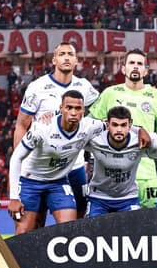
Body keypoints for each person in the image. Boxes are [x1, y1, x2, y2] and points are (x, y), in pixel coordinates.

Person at [15, 42, 99, 219]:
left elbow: (97, 114)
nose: (66, 57)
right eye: (62, 54)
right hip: (43, 166)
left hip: (75, 166)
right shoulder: (37, 88)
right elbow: (22, 125)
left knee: (79, 219)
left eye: (70, 54)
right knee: (36, 223)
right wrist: (21, 162)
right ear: (54, 60)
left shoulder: (85, 87)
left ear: (76, 60)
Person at [8, 90, 105, 235]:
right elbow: (16, 158)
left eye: (78, 108)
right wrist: (14, 197)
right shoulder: (42, 128)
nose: (73, 112)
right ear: (61, 109)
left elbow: (115, 126)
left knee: (70, 231)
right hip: (30, 182)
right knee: (23, 233)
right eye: (69, 108)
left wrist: (140, 131)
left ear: (83, 110)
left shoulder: (89, 126)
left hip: (58, 183)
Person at [90, 49, 157, 209]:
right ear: (123, 68)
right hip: (112, 172)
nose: (135, 67)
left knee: (149, 225)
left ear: (146, 70)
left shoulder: (156, 96)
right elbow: (92, 127)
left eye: (139, 64)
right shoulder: (109, 94)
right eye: (131, 63)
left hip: (146, 172)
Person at [85, 105, 152, 216]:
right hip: (99, 198)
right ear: (107, 125)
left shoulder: (140, 141)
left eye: (123, 125)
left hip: (128, 198)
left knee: (135, 231)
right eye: (115, 125)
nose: (119, 130)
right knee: (93, 231)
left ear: (130, 125)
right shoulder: (95, 140)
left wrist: (141, 129)